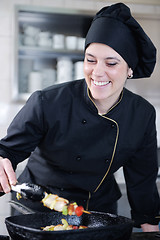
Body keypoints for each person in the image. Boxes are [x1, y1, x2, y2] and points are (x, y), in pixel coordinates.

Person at [0, 2, 160, 232]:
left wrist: (150, 229)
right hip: (38, 209)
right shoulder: (48, 101)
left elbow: (142, 180)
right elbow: (8, 151)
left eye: (111, 63)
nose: (97, 72)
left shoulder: (141, 114)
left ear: (130, 69)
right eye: (90, 59)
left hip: (98, 212)